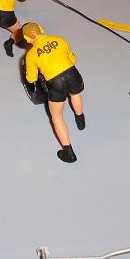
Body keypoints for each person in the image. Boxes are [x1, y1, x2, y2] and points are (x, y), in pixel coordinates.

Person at [23, 22, 85, 163]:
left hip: (55, 83)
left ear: (27, 39)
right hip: (72, 74)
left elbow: (31, 79)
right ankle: (80, 120)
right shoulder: (59, 39)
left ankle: (69, 153)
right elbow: (72, 58)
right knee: (75, 94)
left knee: (57, 117)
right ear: (41, 29)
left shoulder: (31, 55)